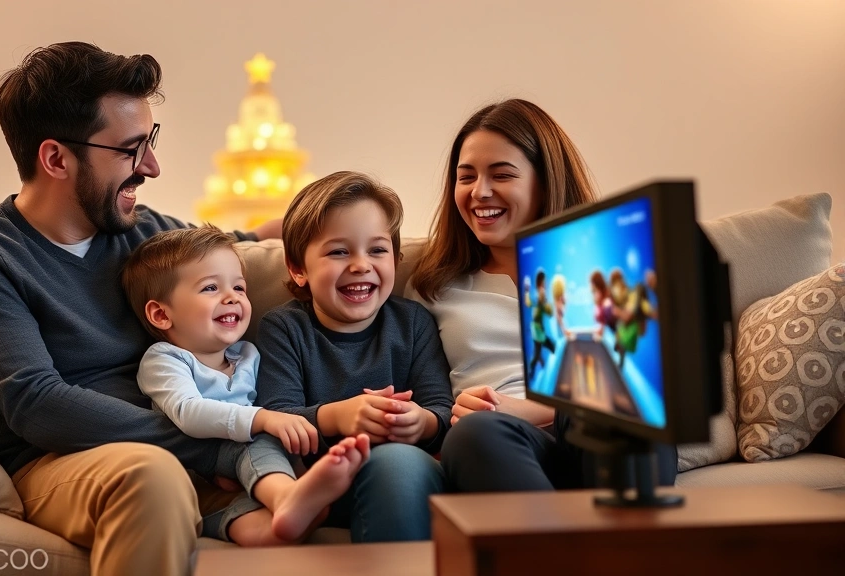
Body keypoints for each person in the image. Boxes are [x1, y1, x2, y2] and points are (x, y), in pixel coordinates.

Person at [0, 42, 280, 576]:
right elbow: (37, 405)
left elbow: (235, 246)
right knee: (152, 475)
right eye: (130, 149)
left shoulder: (147, 234)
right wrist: (214, 447)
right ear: (56, 159)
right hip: (64, 460)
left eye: (151, 142)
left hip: (186, 430)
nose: (153, 167)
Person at [405, 99, 677, 494]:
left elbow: (642, 381)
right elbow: (425, 395)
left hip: (593, 434)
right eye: (466, 178)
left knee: (618, 405)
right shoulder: (433, 284)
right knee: (475, 433)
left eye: (501, 175)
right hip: (498, 444)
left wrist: (529, 408)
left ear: (545, 181)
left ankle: (620, 547)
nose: (480, 192)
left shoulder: (606, 266)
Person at [120, 225, 370, 545]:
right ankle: (286, 496)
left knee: (252, 519)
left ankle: (288, 516)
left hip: (242, 478)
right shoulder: (165, 359)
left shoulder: (247, 355)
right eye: (210, 288)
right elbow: (188, 412)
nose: (232, 298)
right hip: (192, 470)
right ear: (161, 314)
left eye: (239, 287)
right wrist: (262, 419)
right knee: (258, 437)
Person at [254, 171, 455, 542]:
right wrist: (340, 416)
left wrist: (420, 422)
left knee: (396, 462)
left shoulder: (414, 324)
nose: (361, 264)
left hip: (401, 472)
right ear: (298, 269)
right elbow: (275, 416)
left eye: (377, 250)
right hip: (323, 484)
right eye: (339, 251)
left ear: (395, 259)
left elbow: (441, 408)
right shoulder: (283, 328)